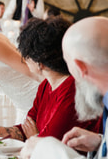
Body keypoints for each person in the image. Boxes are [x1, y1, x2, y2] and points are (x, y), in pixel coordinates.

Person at [0, 17, 101, 142]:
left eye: (26, 56)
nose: (23, 60)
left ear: (39, 63)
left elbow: (51, 141)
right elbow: (26, 128)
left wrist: (35, 137)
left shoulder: (72, 90)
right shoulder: (46, 85)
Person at [20, 16, 108, 159]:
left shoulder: (73, 90)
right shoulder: (104, 98)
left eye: (67, 62)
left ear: (80, 67)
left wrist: (44, 146)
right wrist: (100, 142)